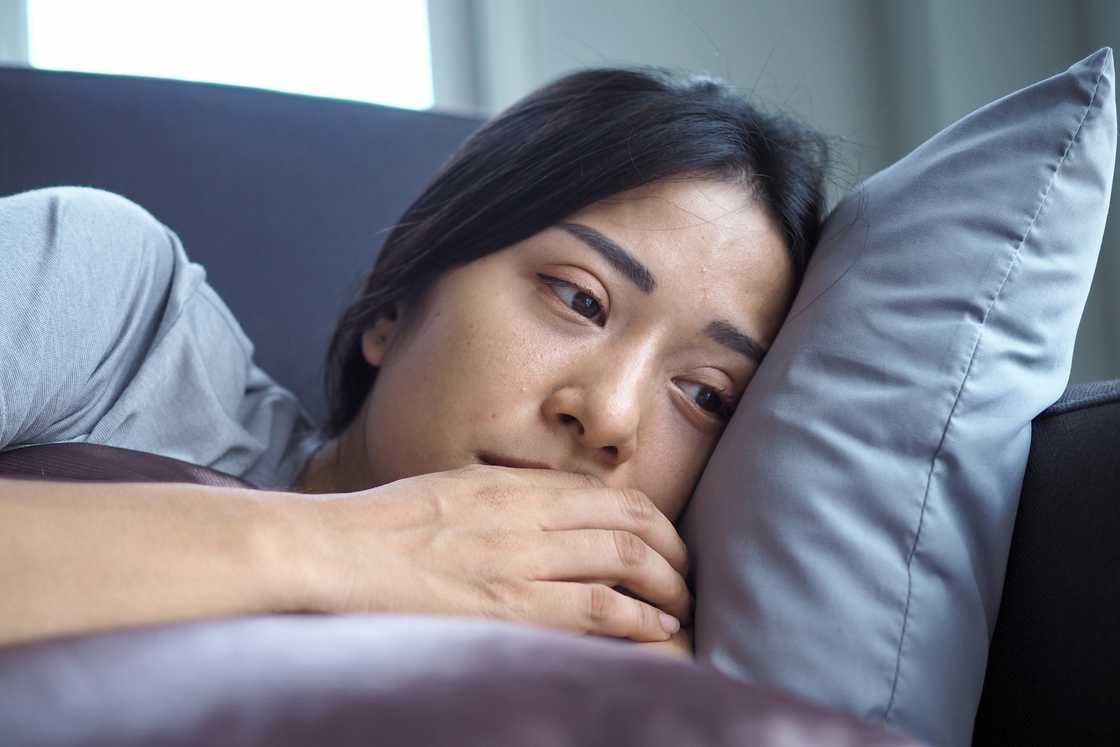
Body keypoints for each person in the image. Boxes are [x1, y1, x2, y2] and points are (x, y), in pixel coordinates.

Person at [0, 66, 829, 659]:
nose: (611, 415)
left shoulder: (630, 668)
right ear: (392, 307)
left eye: (703, 392)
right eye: (579, 298)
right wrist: (352, 550)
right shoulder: (116, 303)